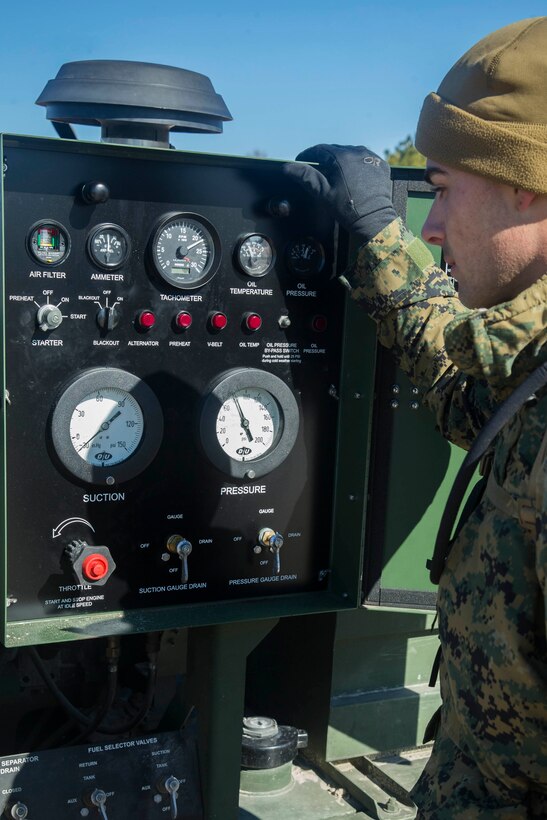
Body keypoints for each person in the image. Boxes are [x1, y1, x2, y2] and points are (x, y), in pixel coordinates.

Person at [285, 16, 547, 819]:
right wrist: (375, 234)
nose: (430, 229)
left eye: (441, 189)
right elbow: (468, 389)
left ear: (528, 184)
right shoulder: (529, 365)